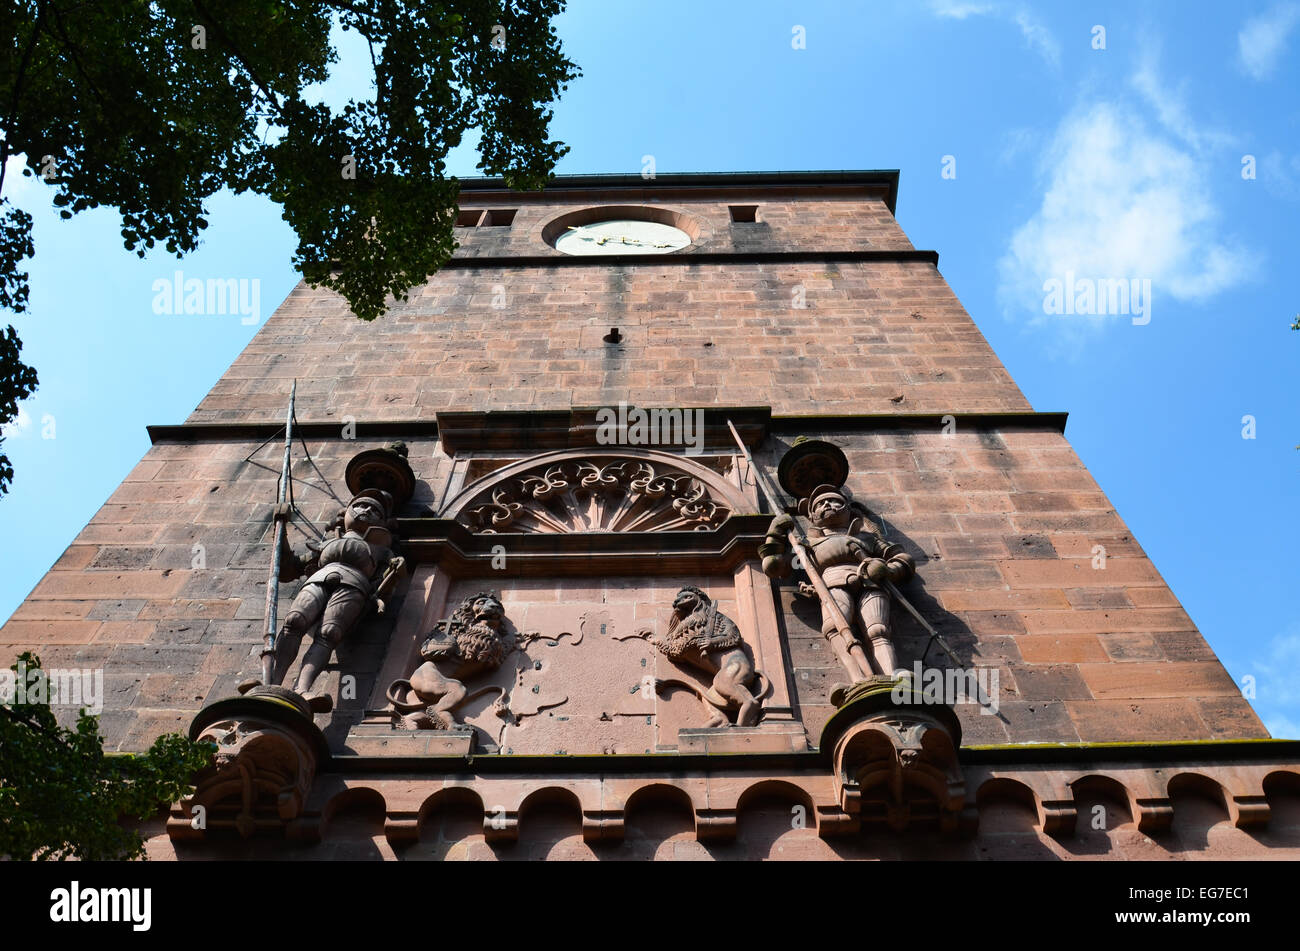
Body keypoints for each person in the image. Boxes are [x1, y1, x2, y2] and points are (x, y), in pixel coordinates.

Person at [760, 484, 914, 681]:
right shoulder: (807, 544)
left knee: (878, 629)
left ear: (849, 509)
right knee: (835, 628)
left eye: (834, 501)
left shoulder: (866, 537)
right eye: (820, 504)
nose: (827, 505)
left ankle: (891, 675)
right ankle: (858, 679)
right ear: (813, 515)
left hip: (870, 582)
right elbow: (773, 567)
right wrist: (774, 534)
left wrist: (889, 570)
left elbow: (902, 558)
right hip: (832, 584)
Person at [267, 488, 406, 698]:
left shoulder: (381, 551)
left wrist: (392, 576)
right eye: (360, 505)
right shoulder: (325, 544)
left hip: (354, 585)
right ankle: (272, 683)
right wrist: (282, 527)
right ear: (346, 512)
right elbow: (287, 569)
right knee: (294, 621)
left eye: (375, 510)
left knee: (329, 634)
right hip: (319, 578)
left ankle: (302, 688)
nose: (366, 510)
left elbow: (385, 582)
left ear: (383, 523)